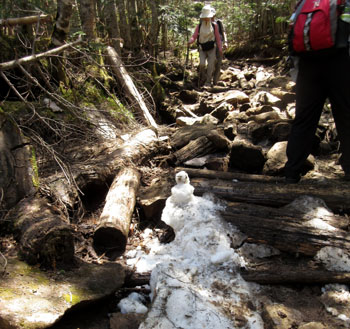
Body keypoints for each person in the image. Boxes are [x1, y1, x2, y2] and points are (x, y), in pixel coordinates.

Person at [284, 10, 350, 183]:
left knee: (304, 120)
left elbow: (292, 35)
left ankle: (291, 172)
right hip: (340, 63)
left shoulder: (304, 6)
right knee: (345, 117)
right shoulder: (343, 4)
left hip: (308, 66)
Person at [187, 4, 222, 87]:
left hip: (212, 48)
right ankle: (203, 77)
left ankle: (208, 81)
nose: (206, 18)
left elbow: (217, 38)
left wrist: (220, 49)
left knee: (211, 65)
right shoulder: (199, 26)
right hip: (202, 48)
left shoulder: (214, 25)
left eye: (207, 17)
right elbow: (194, 36)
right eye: (205, 17)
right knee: (202, 64)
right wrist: (190, 41)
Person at [211, 7, 228, 85]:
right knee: (212, 61)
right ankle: (209, 79)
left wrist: (225, 42)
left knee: (218, 62)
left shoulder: (219, 22)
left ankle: (215, 81)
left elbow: (223, 32)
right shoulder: (206, 23)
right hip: (210, 45)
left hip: (219, 44)